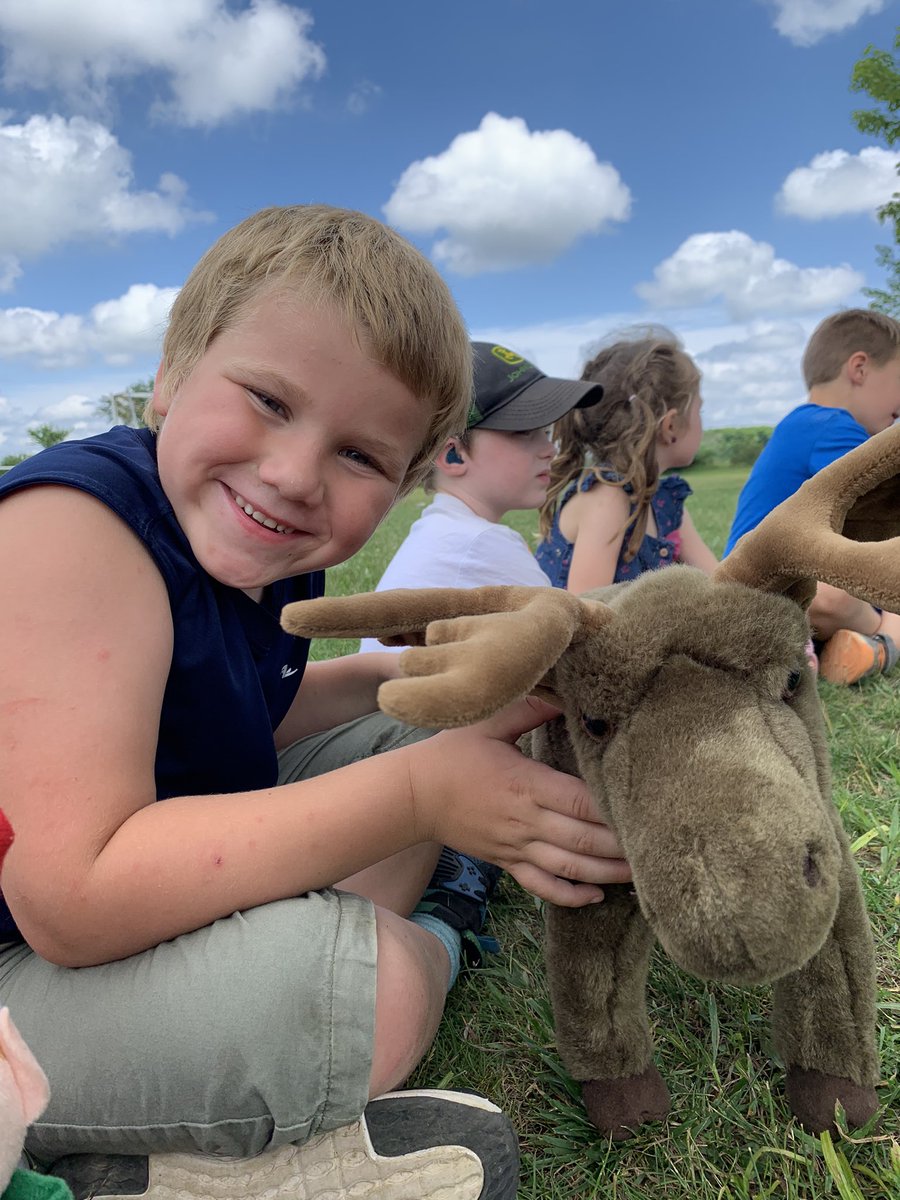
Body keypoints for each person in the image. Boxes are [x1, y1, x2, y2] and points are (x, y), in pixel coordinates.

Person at [0, 206, 632, 1200]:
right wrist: (421, 800)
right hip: (23, 962)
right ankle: (436, 935)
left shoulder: (262, 554)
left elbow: (245, 719)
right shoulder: (73, 530)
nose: (294, 475)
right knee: (360, 993)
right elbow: (71, 902)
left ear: (405, 483)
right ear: (171, 373)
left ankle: (209, 1085)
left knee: (426, 722)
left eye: (359, 456)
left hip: (119, 891)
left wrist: (414, 677)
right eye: (268, 400)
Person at [357, 340, 604, 655]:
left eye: (546, 431)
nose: (549, 449)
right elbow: (578, 651)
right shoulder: (480, 542)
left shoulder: (446, 531)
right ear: (454, 456)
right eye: (525, 432)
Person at [724, 308, 900, 685]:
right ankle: (880, 644)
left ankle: (857, 643)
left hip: (749, 599)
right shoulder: (832, 427)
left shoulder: (798, 425)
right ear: (860, 369)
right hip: (789, 599)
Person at [535, 330, 717, 593]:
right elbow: (590, 613)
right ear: (671, 425)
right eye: (699, 410)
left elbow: (719, 584)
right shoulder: (608, 499)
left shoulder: (666, 501)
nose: (702, 421)